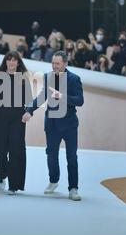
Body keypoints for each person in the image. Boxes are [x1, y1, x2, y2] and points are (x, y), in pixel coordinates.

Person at [22, 51, 84, 201]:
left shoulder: (74, 79)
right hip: (52, 123)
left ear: (65, 64)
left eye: (58, 63)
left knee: (72, 157)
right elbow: (42, 96)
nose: (54, 66)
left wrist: (62, 96)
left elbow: (80, 100)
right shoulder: (47, 76)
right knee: (51, 154)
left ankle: (73, 188)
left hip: (69, 124)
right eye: (53, 63)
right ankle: (53, 181)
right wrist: (30, 110)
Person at [0, 51, 32, 195]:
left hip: (17, 119)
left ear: (18, 63)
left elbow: (29, 100)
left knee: (16, 151)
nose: (12, 62)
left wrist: (29, 112)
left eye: (14, 60)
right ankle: (2, 175)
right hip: (1, 117)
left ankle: (13, 185)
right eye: (9, 60)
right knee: (0, 151)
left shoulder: (23, 79)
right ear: (6, 62)